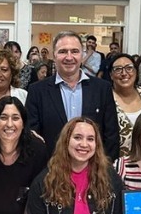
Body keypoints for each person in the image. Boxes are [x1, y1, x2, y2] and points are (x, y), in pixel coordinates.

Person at [26, 31, 120, 160]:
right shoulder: (37, 91)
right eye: (63, 51)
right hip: (50, 171)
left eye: (75, 51)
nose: (69, 57)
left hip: (93, 172)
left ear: (82, 55)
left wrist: (104, 171)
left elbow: (111, 135)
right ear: (54, 55)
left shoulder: (102, 89)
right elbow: (32, 138)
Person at [109, 53, 141, 157]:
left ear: (136, 72)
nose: (124, 73)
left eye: (129, 68)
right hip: (117, 162)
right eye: (118, 69)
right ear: (111, 75)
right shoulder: (107, 98)